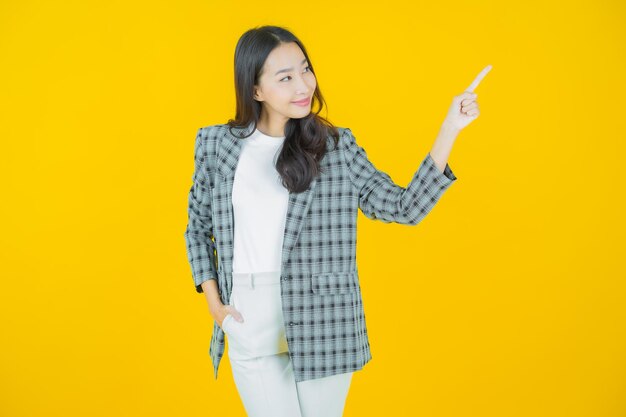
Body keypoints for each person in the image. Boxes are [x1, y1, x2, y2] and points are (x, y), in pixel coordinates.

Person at [184, 25, 489, 417]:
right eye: (286, 77)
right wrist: (215, 304)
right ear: (255, 90)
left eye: (305, 69)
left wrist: (450, 129)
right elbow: (197, 226)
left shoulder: (334, 146)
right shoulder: (215, 145)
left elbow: (404, 207)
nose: (303, 85)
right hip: (247, 316)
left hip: (322, 319)